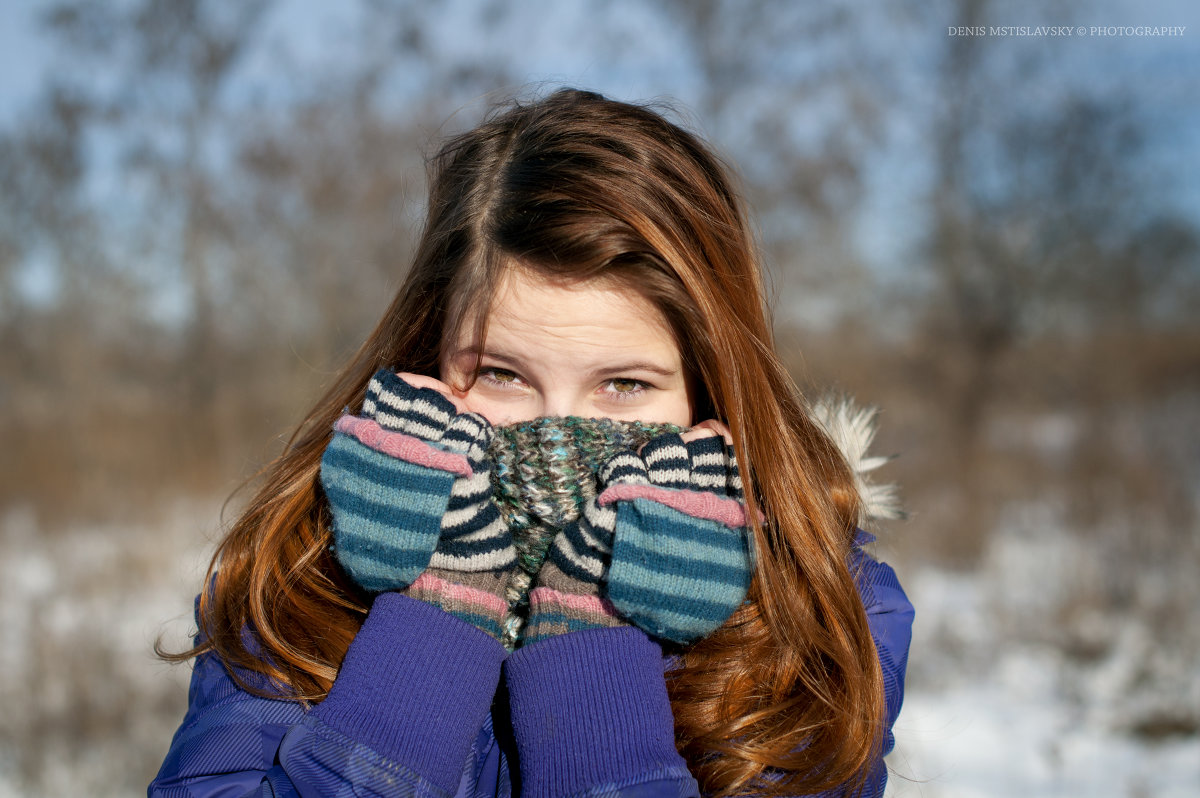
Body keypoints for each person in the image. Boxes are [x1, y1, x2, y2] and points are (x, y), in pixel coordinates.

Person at [150, 88, 913, 798]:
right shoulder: (303, 577)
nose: (555, 435)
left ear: (710, 391)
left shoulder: (812, 613)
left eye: (625, 387)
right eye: (503, 374)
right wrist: (437, 623)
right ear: (429, 357)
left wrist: (591, 663)